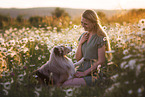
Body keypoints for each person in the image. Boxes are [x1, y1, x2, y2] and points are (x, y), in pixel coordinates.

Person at [62, 9, 112, 86]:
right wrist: (80, 43)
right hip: (81, 70)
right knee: (59, 79)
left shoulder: (100, 37)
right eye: (82, 22)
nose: (83, 25)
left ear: (94, 23)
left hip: (95, 73)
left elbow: (101, 61)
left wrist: (84, 73)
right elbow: (78, 58)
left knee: (66, 84)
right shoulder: (84, 36)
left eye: (86, 24)